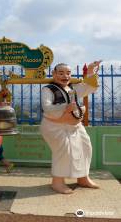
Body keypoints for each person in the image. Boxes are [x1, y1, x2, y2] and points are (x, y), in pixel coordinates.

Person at [40, 61, 101, 194]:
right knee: (64, 151)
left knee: (86, 147)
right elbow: (47, 108)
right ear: (54, 74)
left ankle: (83, 178)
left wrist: (90, 71)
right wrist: (65, 108)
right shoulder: (48, 89)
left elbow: (88, 86)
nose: (65, 76)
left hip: (74, 125)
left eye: (68, 73)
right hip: (54, 126)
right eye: (61, 73)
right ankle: (57, 182)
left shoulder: (73, 88)